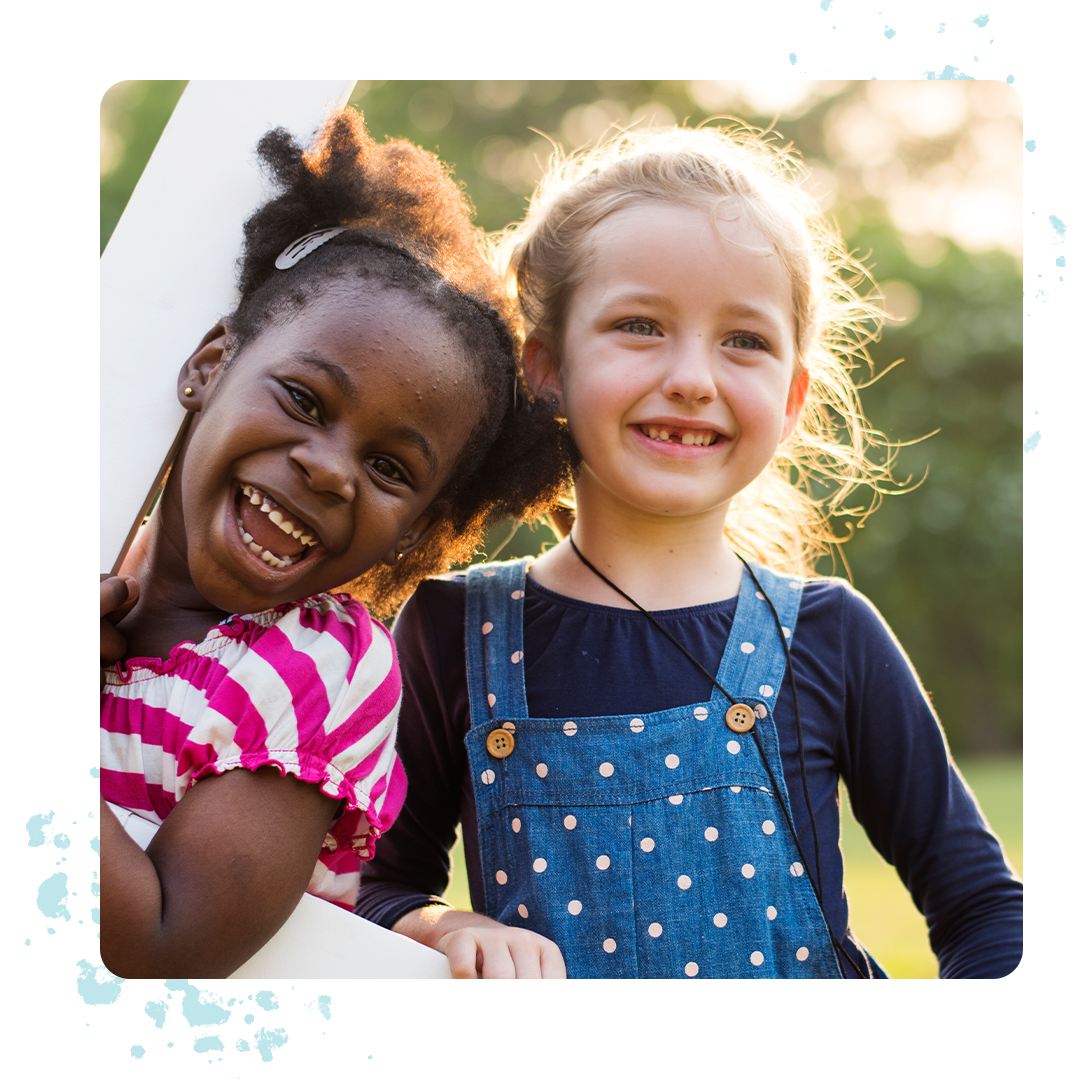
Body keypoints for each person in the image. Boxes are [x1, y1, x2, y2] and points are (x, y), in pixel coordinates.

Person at [355, 125, 1025, 981]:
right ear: (546, 366)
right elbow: (373, 887)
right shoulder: (451, 630)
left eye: (743, 340)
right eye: (640, 325)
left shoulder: (828, 635)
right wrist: (438, 926)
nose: (694, 378)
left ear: (789, 399)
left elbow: (981, 907)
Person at [98, 109, 573, 980]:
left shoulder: (316, 665)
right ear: (210, 366)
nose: (327, 470)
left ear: (423, 531)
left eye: (390, 467)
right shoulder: (86, 541)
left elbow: (163, 945)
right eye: (306, 401)